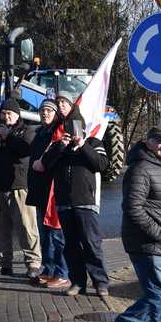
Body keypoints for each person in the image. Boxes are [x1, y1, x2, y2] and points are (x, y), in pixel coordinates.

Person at [40, 91, 110, 297]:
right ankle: (78, 281)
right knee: (69, 245)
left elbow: (101, 164)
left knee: (91, 244)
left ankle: (100, 283)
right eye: (69, 127)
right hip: (63, 202)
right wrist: (60, 147)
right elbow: (45, 164)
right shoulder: (58, 144)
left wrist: (82, 146)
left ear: (83, 127)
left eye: (76, 126)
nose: (73, 130)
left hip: (85, 202)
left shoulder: (94, 143)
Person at [114, 126, 161, 322]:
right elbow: (132, 208)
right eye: (159, 140)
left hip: (160, 244)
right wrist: (159, 233)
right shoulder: (141, 168)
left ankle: (126, 321)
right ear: (148, 142)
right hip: (147, 243)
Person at [0, 98, 42, 278]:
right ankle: (3, 263)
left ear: (17, 115)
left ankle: (33, 263)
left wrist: (8, 137)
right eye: (3, 113)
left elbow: (25, 150)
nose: (6, 117)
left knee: (26, 227)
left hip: (19, 186)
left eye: (9, 114)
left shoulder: (27, 131)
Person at [26, 98, 70, 289]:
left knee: (57, 236)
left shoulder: (58, 133)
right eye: (43, 110)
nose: (45, 113)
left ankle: (62, 273)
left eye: (49, 111)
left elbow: (57, 156)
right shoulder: (39, 133)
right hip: (39, 191)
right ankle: (48, 269)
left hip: (53, 191)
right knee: (44, 235)